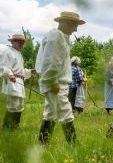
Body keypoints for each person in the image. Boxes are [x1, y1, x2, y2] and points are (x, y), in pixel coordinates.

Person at [35, 11, 85, 144]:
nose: (75, 29)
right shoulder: (55, 37)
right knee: (66, 112)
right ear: (66, 23)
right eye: (74, 25)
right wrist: (52, 82)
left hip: (57, 82)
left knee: (50, 113)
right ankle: (73, 145)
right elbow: (51, 62)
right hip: (55, 83)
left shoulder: (61, 36)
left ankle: (42, 145)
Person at [0, 34, 35, 129]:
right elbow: (4, 66)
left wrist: (30, 71)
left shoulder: (19, 54)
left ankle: (15, 126)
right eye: (19, 42)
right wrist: (10, 75)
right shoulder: (8, 52)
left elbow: (20, 71)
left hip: (19, 82)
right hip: (12, 81)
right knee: (13, 104)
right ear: (12, 42)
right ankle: (7, 127)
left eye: (22, 42)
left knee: (19, 105)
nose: (21, 44)